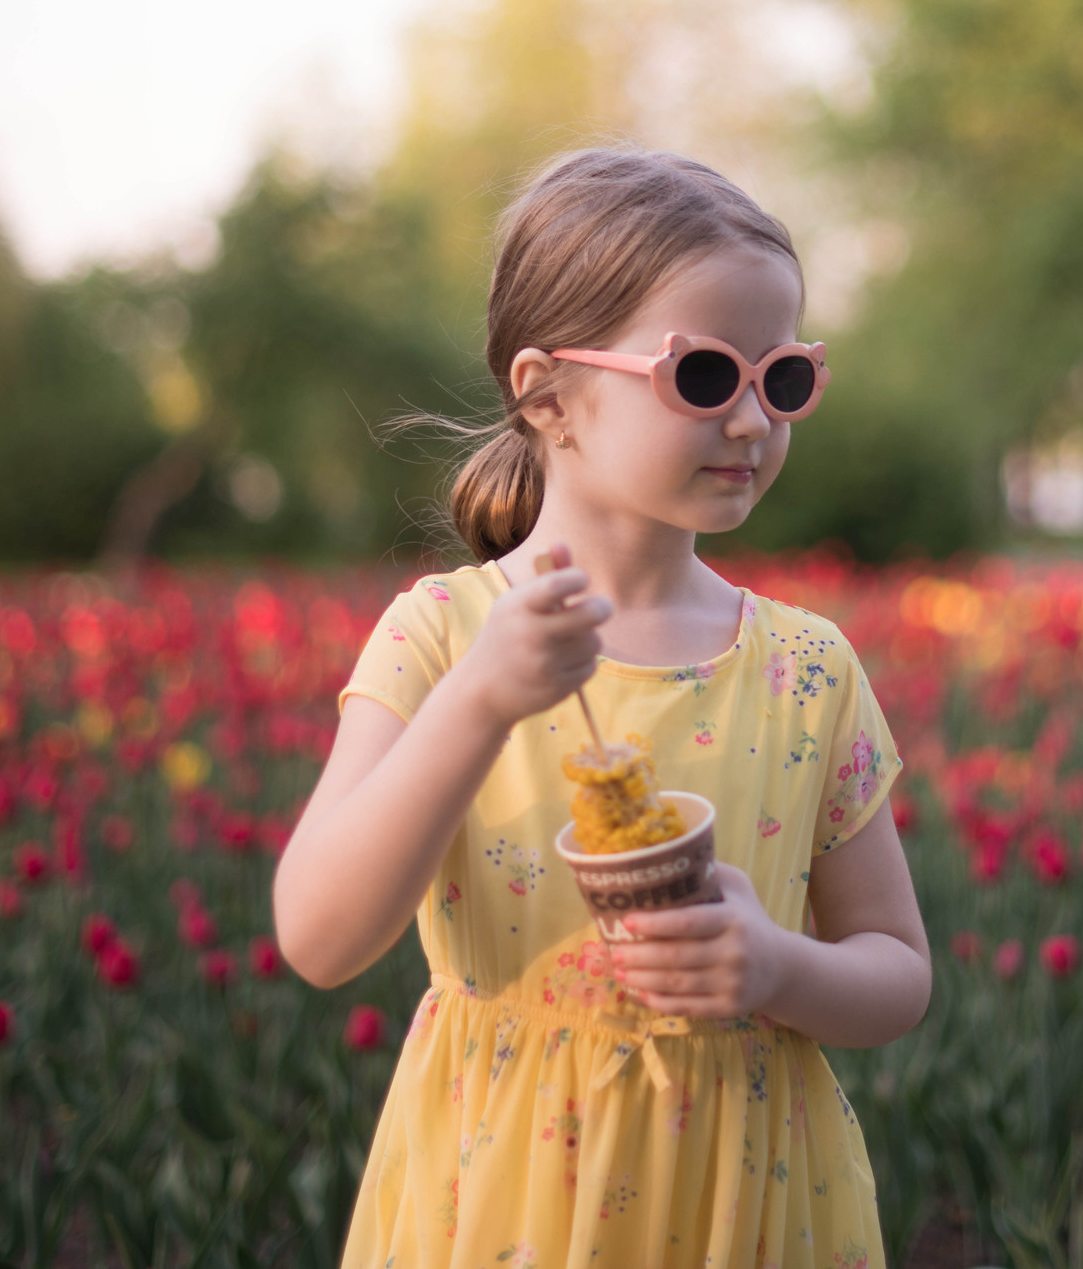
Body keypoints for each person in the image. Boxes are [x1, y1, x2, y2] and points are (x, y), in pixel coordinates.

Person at [272, 143, 931, 1269]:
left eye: (782, 380)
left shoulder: (805, 669)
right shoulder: (442, 639)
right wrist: (479, 702)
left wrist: (778, 969)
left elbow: (896, 972)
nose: (751, 421)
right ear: (550, 397)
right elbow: (320, 938)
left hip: (750, 1205)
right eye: (705, 377)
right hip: (507, 1200)